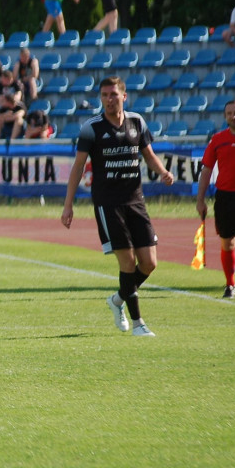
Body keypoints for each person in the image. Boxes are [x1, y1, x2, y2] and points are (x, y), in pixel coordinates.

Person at [61, 76, 175, 336]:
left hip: (136, 200)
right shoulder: (92, 128)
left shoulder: (137, 122)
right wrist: (68, 205)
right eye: (104, 95)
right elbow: (78, 167)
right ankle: (138, 324)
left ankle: (117, 300)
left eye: (113, 94)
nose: (109, 100)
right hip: (108, 204)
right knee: (128, 260)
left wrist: (162, 172)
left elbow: (148, 154)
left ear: (124, 96)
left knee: (149, 263)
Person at [196, 99, 235, 298]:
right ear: (225, 117)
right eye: (229, 113)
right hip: (225, 197)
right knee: (228, 243)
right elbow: (206, 170)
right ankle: (230, 284)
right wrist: (200, 200)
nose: (233, 116)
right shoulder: (218, 140)